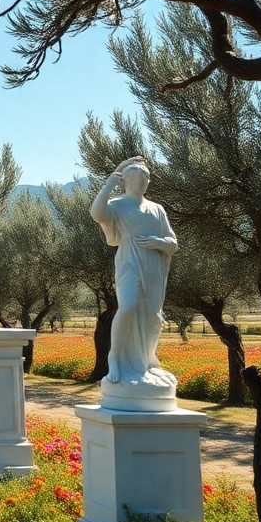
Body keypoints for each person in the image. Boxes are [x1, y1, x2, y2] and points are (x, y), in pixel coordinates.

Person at [90, 156, 178, 390]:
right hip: (129, 264)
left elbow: (173, 244)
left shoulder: (157, 209)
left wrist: (158, 242)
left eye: (147, 178)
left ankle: (147, 361)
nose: (145, 181)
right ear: (127, 180)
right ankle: (115, 358)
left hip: (154, 268)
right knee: (127, 306)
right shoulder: (118, 205)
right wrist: (111, 181)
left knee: (153, 318)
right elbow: (97, 213)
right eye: (140, 177)